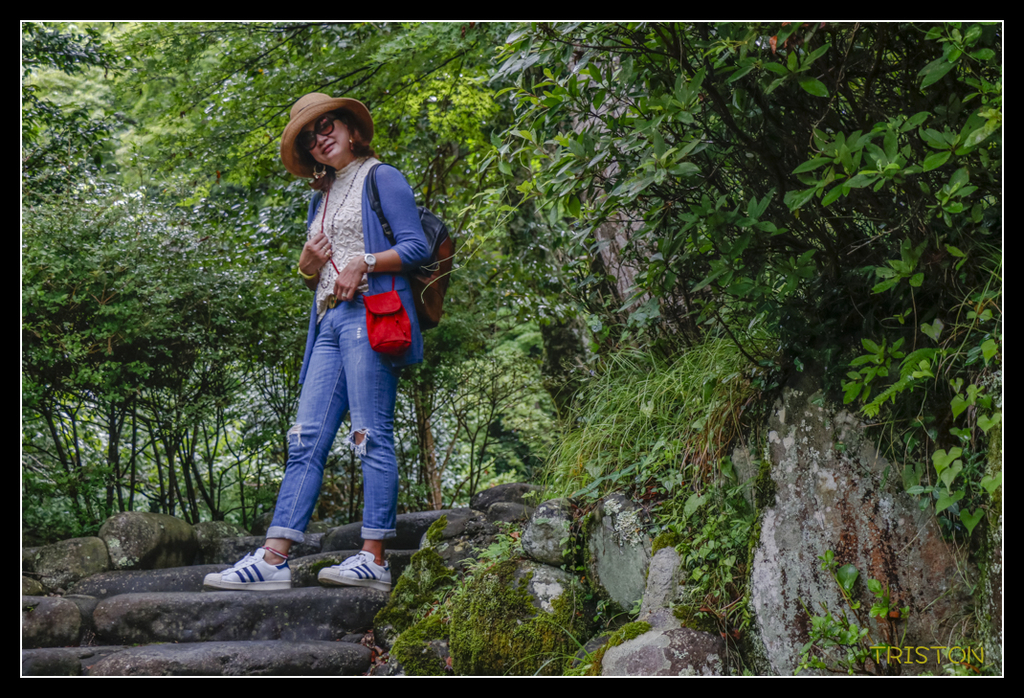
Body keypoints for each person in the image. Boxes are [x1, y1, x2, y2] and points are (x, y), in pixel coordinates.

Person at [204, 92, 430, 593]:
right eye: (309, 136)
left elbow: (417, 246)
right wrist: (307, 270)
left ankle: (373, 558)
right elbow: (319, 274)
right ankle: (273, 558)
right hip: (327, 323)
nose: (319, 138)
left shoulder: (381, 176)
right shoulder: (320, 195)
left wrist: (364, 262)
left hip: (369, 317)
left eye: (326, 125)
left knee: (369, 434)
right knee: (305, 439)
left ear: (350, 127)